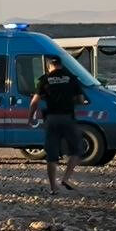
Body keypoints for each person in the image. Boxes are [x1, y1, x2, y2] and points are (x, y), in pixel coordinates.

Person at [29, 55, 85, 195]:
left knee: (52, 155)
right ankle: (65, 179)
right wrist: (69, 100)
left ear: (50, 66)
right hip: (68, 118)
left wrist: (30, 117)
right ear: (61, 64)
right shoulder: (71, 78)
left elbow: (34, 102)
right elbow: (81, 99)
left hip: (51, 119)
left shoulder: (45, 79)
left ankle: (53, 187)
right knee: (77, 150)